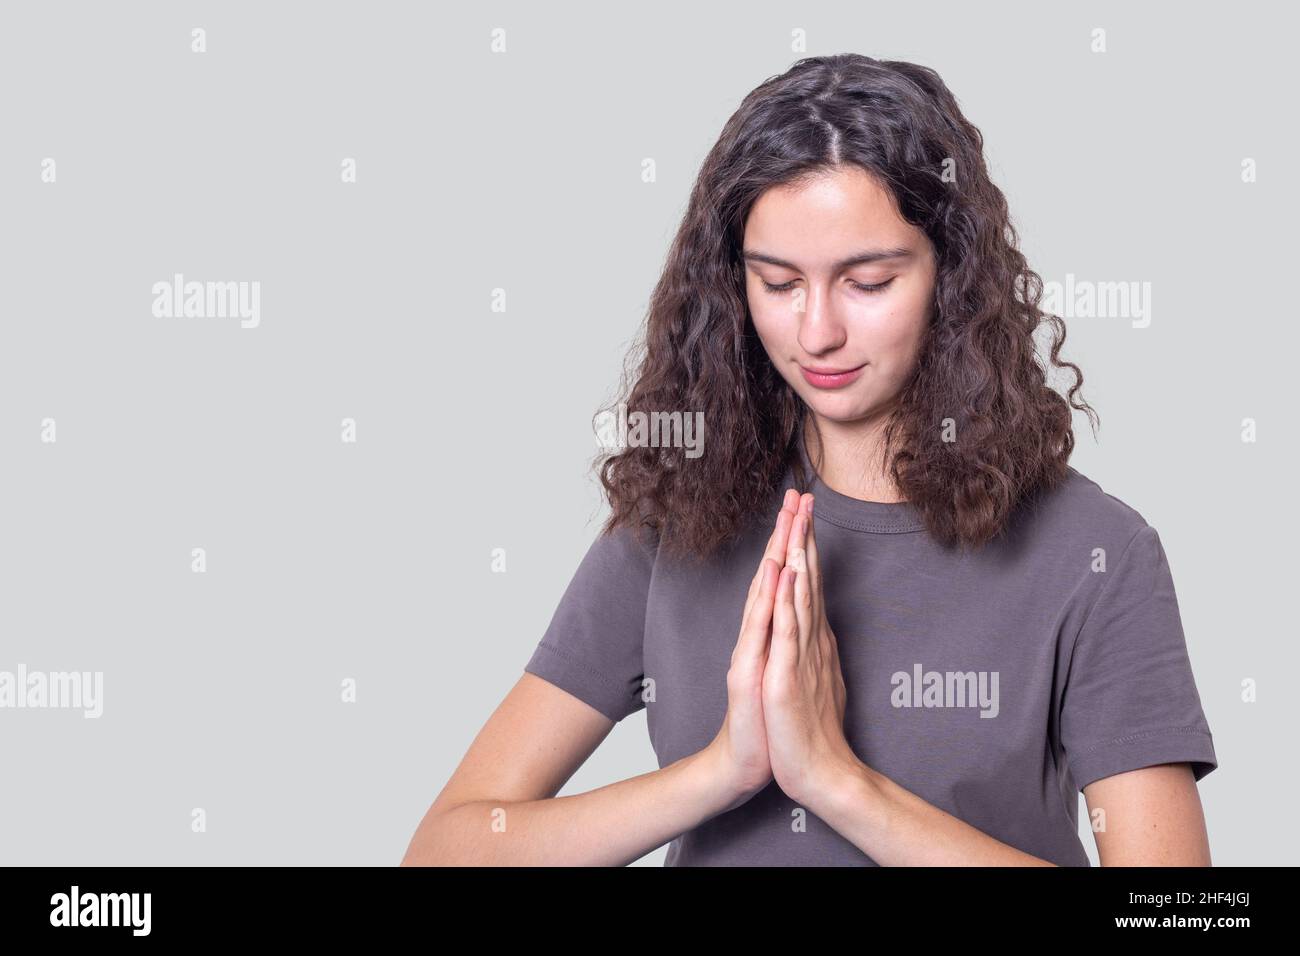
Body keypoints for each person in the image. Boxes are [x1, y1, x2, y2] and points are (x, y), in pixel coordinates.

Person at [401, 53, 1217, 866]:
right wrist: (725, 770)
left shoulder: (1095, 555)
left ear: (952, 278)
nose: (817, 331)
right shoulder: (679, 518)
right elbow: (446, 850)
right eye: (779, 283)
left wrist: (838, 783)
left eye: (867, 282)